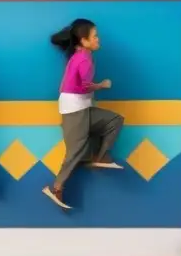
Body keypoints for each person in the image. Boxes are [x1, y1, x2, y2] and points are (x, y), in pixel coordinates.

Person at [43, 18, 124, 211]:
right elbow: (83, 86)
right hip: (74, 109)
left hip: (82, 107)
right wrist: (102, 85)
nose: (98, 39)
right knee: (76, 152)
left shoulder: (82, 54)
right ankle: (55, 188)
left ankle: (100, 156)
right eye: (95, 36)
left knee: (114, 120)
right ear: (83, 40)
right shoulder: (83, 58)